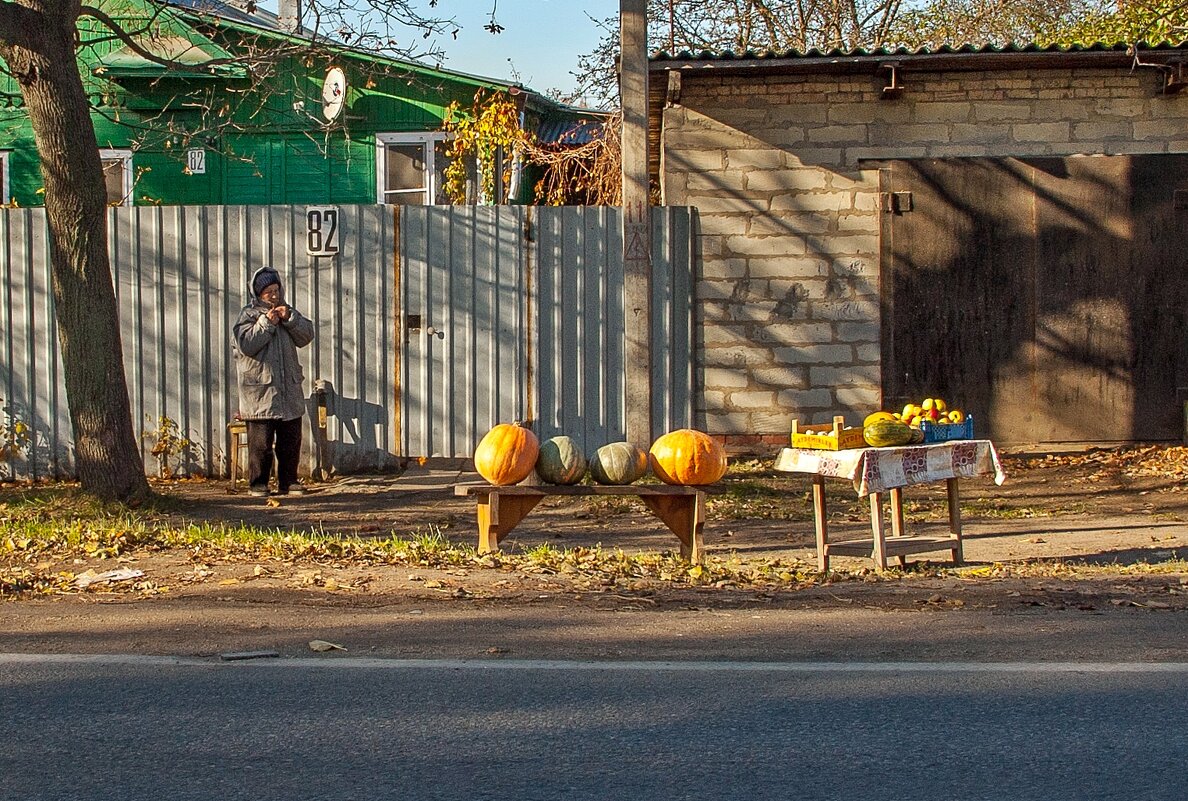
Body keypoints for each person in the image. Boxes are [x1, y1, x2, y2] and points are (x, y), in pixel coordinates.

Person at [232, 266, 315, 497]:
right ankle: (258, 483)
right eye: (268, 291)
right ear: (258, 294)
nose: (273, 295)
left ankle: (289, 482)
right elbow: (247, 344)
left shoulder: (287, 312)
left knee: (291, 441)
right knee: (261, 445)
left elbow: (307, 335)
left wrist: (290, 319)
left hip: (288, 388)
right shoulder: (247, 316)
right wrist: (266, 324)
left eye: (276, 289)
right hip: (259, 392)